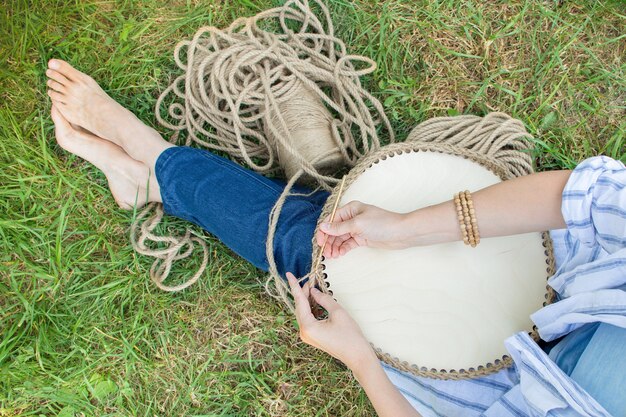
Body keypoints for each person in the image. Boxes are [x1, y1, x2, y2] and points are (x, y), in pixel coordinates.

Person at [46, 58, 626, 417]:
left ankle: (150, 163)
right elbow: (579, 198)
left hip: (484, 397)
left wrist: (359, 359)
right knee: (362, 235)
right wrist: (405, 229)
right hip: (557, 273)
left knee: (319, 250)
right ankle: (150, 171)